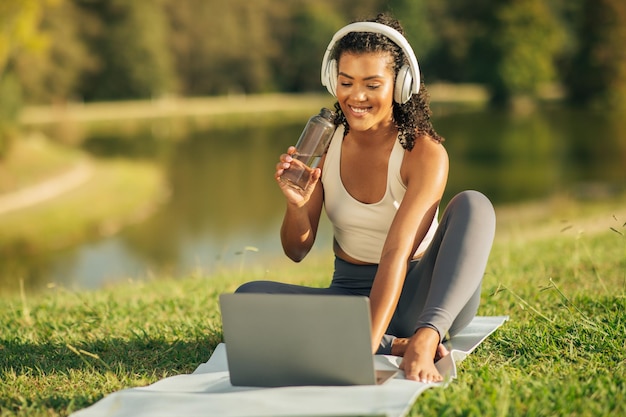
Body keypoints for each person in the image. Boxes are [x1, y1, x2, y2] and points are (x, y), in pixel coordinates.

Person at [236, 13, 496, 383]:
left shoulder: (423, 153)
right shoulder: (324, 143)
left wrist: (359, 350)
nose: (356, 96)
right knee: (248, 299)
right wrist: (296, 206)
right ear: (332, 80)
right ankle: (395, 344)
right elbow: (296, 250)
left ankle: (424, 338)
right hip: (351, 295)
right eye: (346, 82)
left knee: (474, 205)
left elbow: (395, 256)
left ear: (401, 85)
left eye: (372, 84)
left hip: (424, 294)